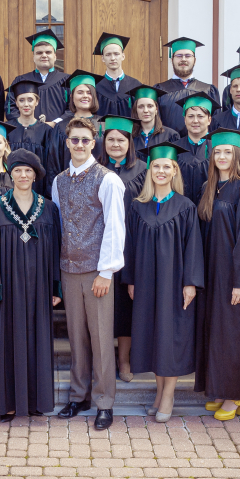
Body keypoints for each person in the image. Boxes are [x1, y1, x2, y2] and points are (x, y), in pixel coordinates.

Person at [0, 149, 62, 421]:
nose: (23, 175)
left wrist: (55, 288)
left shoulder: (49, 208)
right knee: (8, 341)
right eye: (17, 171)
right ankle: (9, 403)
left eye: (28, 171)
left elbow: (57, 250)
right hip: (8, 288)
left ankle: (36, 401)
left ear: (35, 176)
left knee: (38, 340)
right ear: (10, 175)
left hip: (39, 287)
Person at [52, 117, 127, 430]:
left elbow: (115, 226)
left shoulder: (107, 179)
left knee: (100, 338)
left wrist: (106, 271)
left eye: (85, 140)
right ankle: (78, 395)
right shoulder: (59, 181)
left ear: (93, 143)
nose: (80, 144)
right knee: (76, 337)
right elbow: (59, 224)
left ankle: (104, 402)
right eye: (75, 140)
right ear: (67, 143)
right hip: (69, 269)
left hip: (97, 270)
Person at [125, 142, 204, 422]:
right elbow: (130, 246)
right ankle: (159, 393)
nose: (160, 171)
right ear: (150, 171)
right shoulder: (138, 207)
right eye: (156, 166)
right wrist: (131, 279)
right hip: (146, 282)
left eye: (166, 167)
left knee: (170, 337)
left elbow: (193, 247)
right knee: (153, 337)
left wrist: (190, 283)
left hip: (174, 283)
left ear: (174, 171)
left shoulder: (185, 206)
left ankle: (169, 395)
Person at [193, 129, 240, 422]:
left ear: (237, 156)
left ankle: (236, 398)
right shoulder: (209, 187)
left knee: (234, 335)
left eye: (228, 152)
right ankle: (221, 392)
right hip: (212, 274)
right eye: (217, 152)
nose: (222, 157)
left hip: (234, 276)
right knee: (217, 334)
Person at [97, 116, 148, 383]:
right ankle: (103, 361)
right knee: (102, 306)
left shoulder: (143, 170)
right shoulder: (96, 169)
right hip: (100, 247)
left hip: (131, 246)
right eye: (111, 139)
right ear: (103, 141)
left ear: (130, 142)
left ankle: (124, 359)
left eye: (121, 139)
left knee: (126, 307)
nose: (115, 144)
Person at [156, 37, 220, 135]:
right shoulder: (160, 90)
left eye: (188, 56)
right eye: (179, 56)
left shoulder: (208, 90)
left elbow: (215, 125)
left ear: (194, 60)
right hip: (169, 143)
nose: (183, 59)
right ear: (172, 59)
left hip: (201, 143)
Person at [47, 71, 104, 180]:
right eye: (80, 92)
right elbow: (54, 162)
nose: (85, 96)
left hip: (99, 182)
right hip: (69, 182)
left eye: (89, 92)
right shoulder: (61, 127)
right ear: (72, 96)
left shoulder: (103, 124)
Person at [9, 30, 69, 123]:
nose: (44, 55)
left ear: (55, 56)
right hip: (27, 130)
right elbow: (11, 109)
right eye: (39, 53)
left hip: (59, 130)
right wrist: (27, 124)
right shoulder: (21, 80)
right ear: (33, 57)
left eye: (48, 52)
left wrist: (55, 123)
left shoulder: (67, 81)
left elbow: (73, 109)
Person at [6, 79, 53, 195]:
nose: (26, 104)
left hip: (39, 186)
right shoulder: (8, 128)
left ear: (37, 102)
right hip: (11, 186)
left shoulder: (46, 130)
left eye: (30, 100)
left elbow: (50, 164)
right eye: (21, 100)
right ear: (16, 103)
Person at [174, 93, 215, 204]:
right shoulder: (175, 148)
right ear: (185, 119)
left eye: (200, 116)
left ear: (209, 120)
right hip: (181, 208)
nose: (195, 121)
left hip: (210, 207)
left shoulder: (217, 149)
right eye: (191, 116)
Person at [93, 33, 140, 118]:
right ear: (102, 58)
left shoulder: (135, 85)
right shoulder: (96, 86)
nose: (113, 58)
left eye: (116, 54)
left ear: (123, 56)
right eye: (108, 54)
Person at [130, 85, 178, 161]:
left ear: (156, 109)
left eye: (150, 106)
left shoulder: (170, 136)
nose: (145, 110)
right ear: (136, 110)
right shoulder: (129, 136)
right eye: (141, 106)